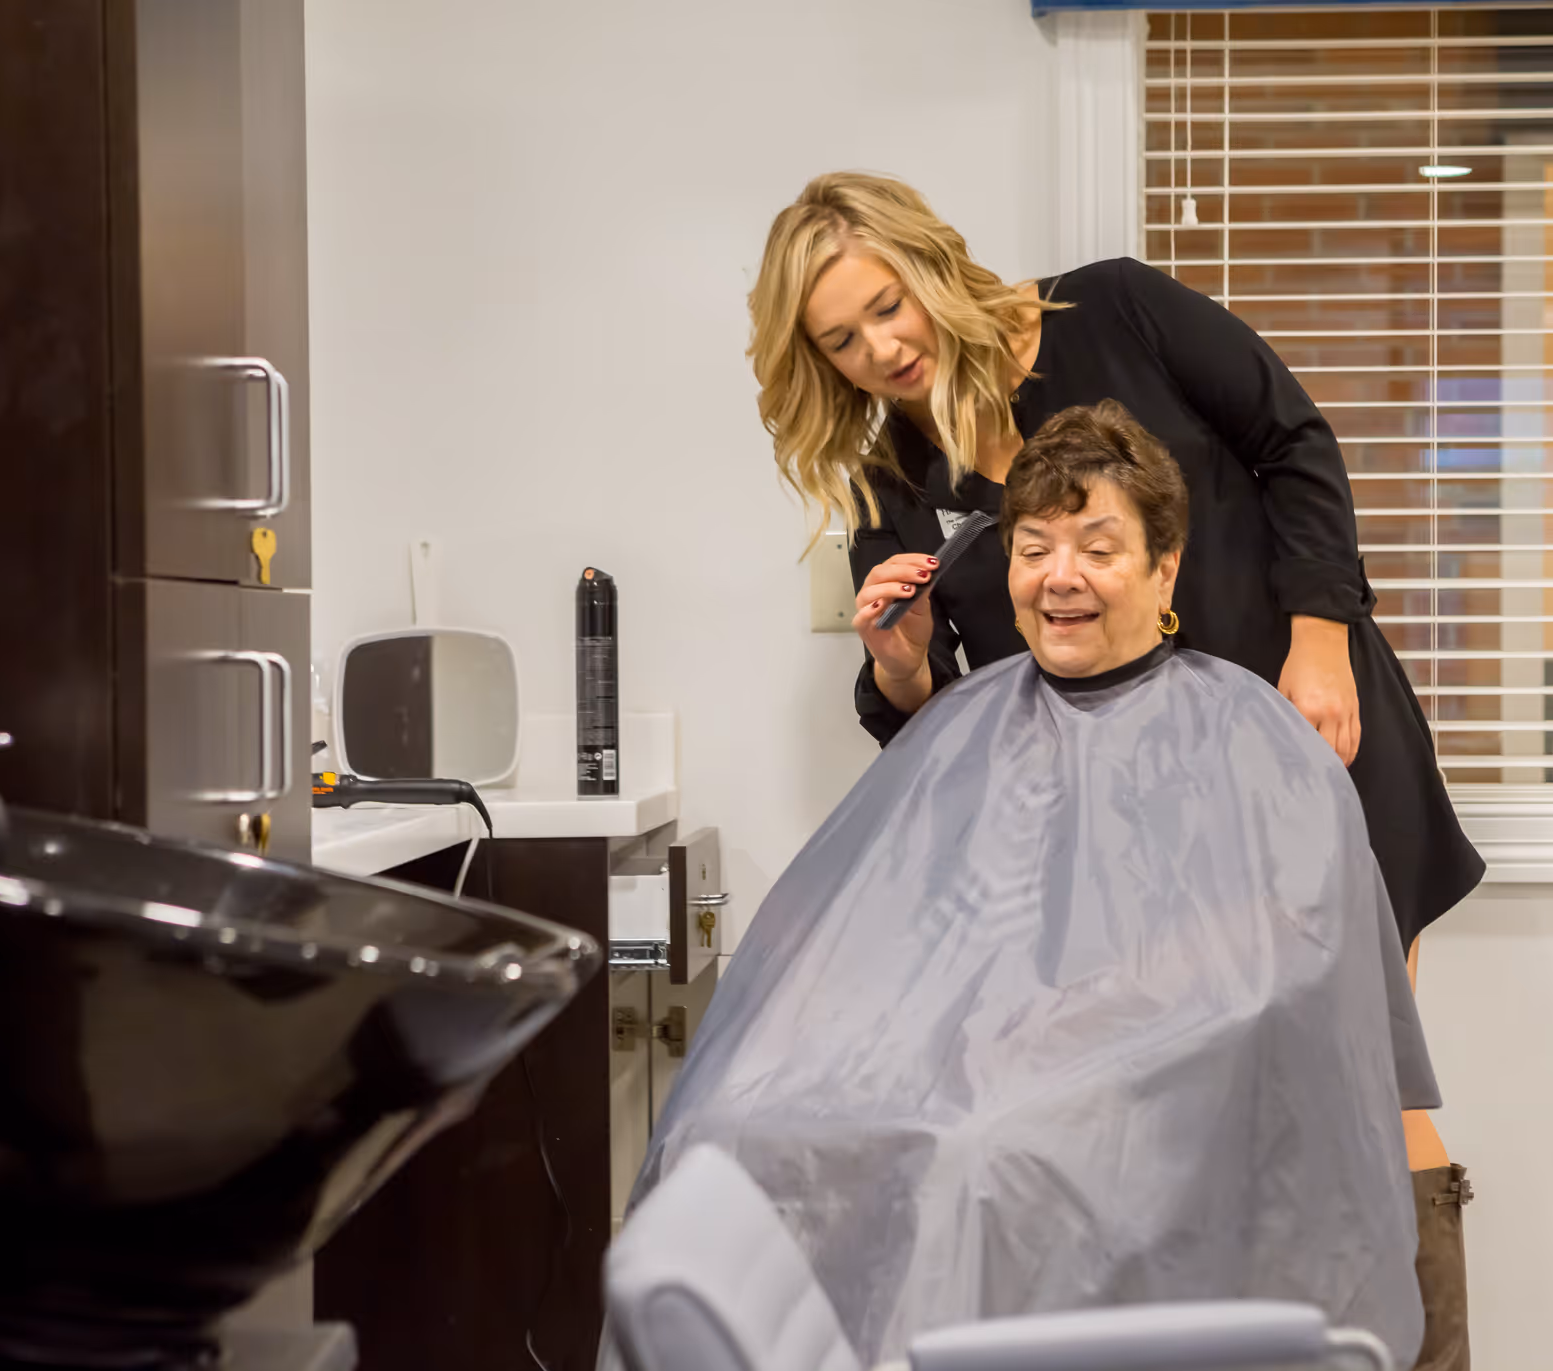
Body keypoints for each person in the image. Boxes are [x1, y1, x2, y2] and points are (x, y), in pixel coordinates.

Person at [747, 172, 1482, 1370]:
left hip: (1308, 751)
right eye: (841, 339)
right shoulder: (895, 476)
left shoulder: (1113, 314)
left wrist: (1322, 637)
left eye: (889, 305)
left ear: (932, 268)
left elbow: (1292, 439)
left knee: (1358, 1101)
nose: (882, 347)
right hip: (1131, 831)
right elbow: (938, 714)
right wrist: (894, 665)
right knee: (1176, 1130)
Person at [631, 403, 1438, 1368]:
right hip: (954, 1074)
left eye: (1097, 546)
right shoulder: (962, 723)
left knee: (981, 1157)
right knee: (721, 1132)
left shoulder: (1250, 733)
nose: (1060, 575)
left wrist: (1066, 1049)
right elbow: (875, 936)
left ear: (1163, 568)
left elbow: (1277, 978)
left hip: (1138, 1098)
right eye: (1033, 547)